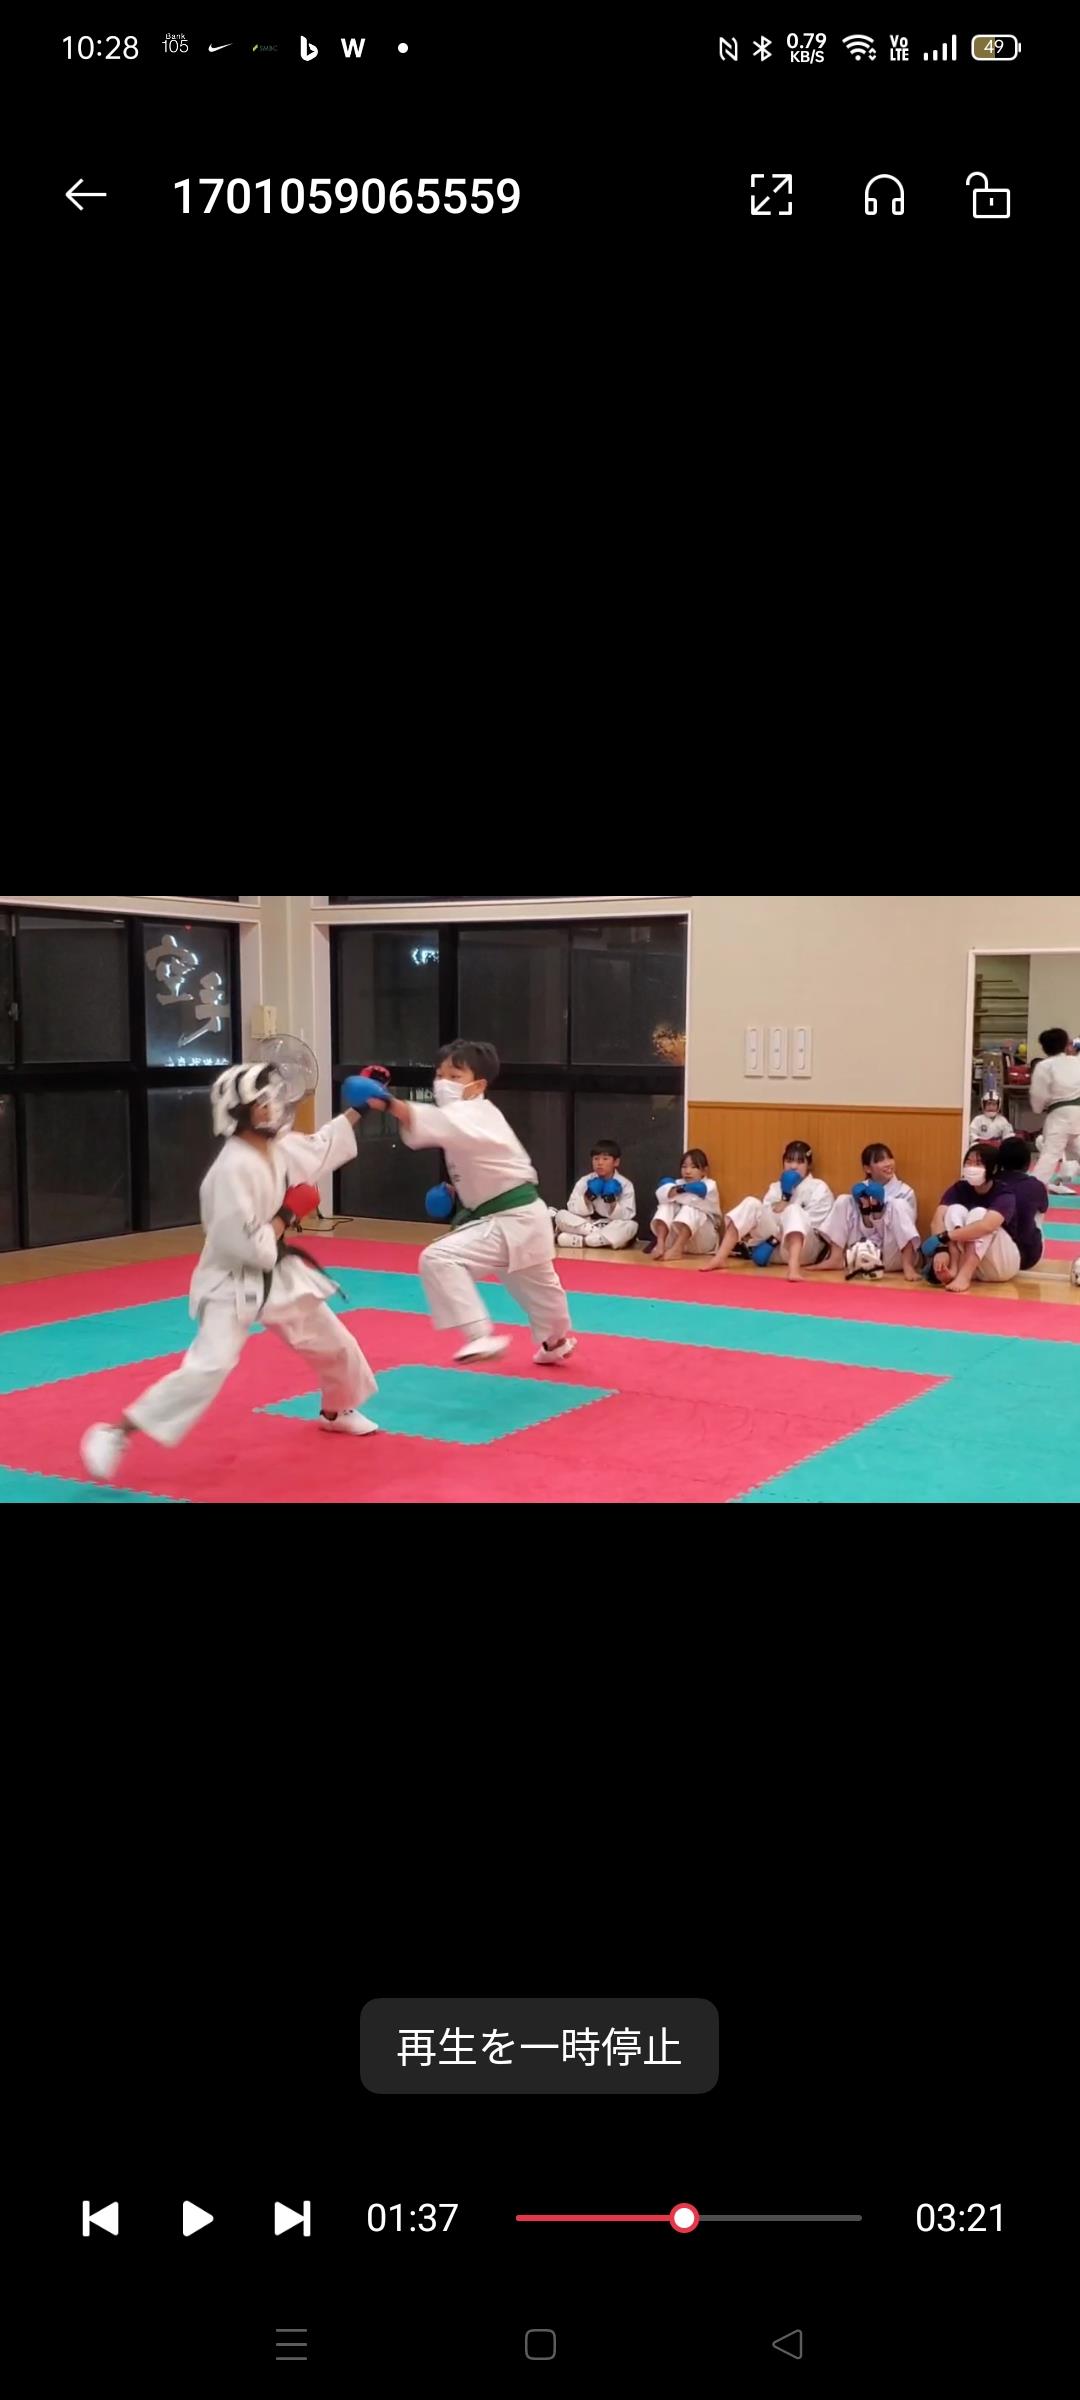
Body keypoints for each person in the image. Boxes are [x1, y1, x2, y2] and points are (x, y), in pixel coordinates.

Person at [81, 1062, 380, 1481]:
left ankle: (336, 1410)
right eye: (262, 1102)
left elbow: (321, 1147)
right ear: (239, 1112)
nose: (273, 1107)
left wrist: (361, 1107)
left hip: (278, 1274)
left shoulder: (279, 1148)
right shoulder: (229, 1172)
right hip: (231, 1280)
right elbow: (249, 1248)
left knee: (336, 1344)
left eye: (273, 1098)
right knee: (209, 1366)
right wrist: (289, 1213)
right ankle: (115, 1433)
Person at [355, 1042, 576, 1366]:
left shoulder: (474, 1112)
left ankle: (479, 1335)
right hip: (521, 1218)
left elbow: (433, 1122)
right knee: (541, 1292)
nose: (443, 1082)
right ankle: (555, 1342)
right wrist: (457, 1193)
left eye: (455, 1076)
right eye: (440, 1075)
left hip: (511, 1219)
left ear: (478, 1085)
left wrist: (386, 1102)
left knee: (439, 1258)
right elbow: (481, 1159)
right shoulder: (472, 1115)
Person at [703, 1141, 834, 1284]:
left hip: (804, 1251)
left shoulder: (819, 1188)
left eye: (800, 1162)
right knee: (751, 1203)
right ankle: (720, 1258)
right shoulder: (775, 1187)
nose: (793, 1166)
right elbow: (767, 1217)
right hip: (773, 1251)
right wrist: (784, 1197)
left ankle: (794, 1268)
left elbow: (814, 1227)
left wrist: (775, 1238)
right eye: (789, 1161)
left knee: (794, 1210)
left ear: (809, 1165)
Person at [808, 1144, 921, 1282]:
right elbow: (866, 1230)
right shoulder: (862, 1189)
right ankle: (835, 1258)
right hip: (864, 1252)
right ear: (867, 1168)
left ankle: (908, 1266)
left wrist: (880, 1208)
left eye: (889, 1158)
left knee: (898, 1204)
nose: (888, 1163)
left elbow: (907, 1228)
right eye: (880, 1160)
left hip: (893, 1254)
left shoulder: (905, 1191)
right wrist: (866, 1212)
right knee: (844, 1200)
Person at [922, 1143, 1020, 1293]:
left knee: (979, 1214)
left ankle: (964, 1275)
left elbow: (987, 1226)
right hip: (976, 1268)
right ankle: (954, 1269)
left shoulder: (1004, 1194)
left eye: (979, 1163)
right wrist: (941, 1249)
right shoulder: (959, 1188)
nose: (972, 1167)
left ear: (993, 1168)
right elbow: (937, 1219)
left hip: (1000, 1264)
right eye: (969, 1162)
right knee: (954, 1209)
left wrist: (945, 1236)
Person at [554, 1140, 638, 1250]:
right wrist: (588, 1195)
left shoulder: (625, 1184)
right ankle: (595, 1236)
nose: (600, 1163)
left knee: (631, 1226)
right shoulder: (585, 1181)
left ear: (616, 1162)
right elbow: (571, 1208)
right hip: (587, 1224)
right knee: (561, 1215)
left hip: (611, 1225)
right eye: (596, 1158)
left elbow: (627, 1216)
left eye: (605, 1159)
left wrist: (611, 1200)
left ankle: (583, 1241)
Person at [1029, 1027, 1080, 1194]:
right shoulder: (1077, 1062)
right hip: (1078, 1112)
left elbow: (1038, 1094)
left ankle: (1031, 1193)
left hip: (1060, 1115)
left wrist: (1037, 1108)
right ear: (1066, 1044)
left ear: (1044, 1048)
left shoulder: (1044, 1066)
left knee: (1050, 1155)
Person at [989, 1134, 1049, 1272]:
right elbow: (1043, 1209)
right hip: (1028, 1257)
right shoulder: (1036, 1185)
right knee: (1037, 1211)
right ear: (1028, 1162)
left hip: (993, 1255)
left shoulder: (988, 1182)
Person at [650, 1151, 721, 1262]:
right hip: (674, 1239)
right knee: (666, 1205)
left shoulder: (710, 1185)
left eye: (693, 1167)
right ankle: (660, 1244)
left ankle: (677, 1249)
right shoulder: (678, 1182)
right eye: (684, 1167)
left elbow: (695, 1197)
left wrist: (674, 1192)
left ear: (704, 1171)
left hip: (702, 1241)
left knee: (691, 1208)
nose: (688, 1171)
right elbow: (661, 1196)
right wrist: (682, 1190)